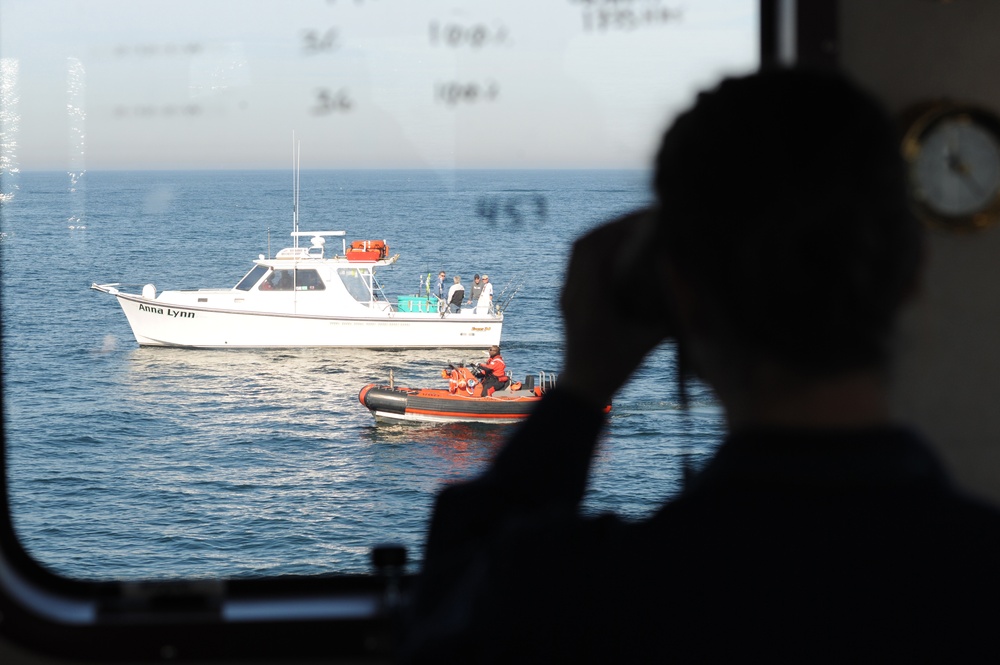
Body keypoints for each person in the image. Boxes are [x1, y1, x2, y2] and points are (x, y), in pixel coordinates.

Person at [401, 68, 1000, 662]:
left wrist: (582, 387)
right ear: (915, 274)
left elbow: (450, 617)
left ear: (679, 296)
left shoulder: (579, 596)